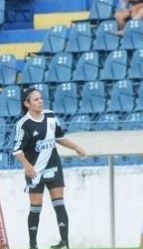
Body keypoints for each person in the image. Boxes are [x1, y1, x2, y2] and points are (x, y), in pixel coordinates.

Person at [13, 87, 87, 249]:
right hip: (35, 171)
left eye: (41, 98)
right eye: (36, 99)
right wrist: (27, 165)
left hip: (53, 166)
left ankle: (65, 242)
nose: (40, 102)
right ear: (27, 104)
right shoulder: (23, 124)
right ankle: (33, 244)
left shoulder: (51, 116)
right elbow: (17, 150)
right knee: (35, 207)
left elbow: (59, 137)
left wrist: (76, 147)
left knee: (59, 203)